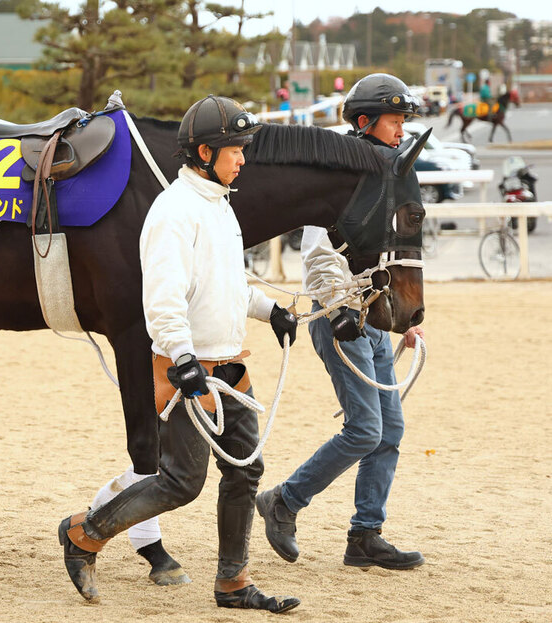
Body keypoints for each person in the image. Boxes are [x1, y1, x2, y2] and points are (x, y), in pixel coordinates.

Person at [57, 95, 300, 613]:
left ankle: (233, 583)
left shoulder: (220, 206)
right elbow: (163, 300)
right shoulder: (172, 212)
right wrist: (182, 358)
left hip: (231, 366)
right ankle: (85, 533)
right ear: (207, 152)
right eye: (236, 150)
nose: (243, 160)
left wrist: (268, 310)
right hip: (189, 370)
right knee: (181, 482)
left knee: (245, 472)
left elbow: (225, 286)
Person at [256, 73, 426, 572]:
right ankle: (284, 501)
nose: (401, 130)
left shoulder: (386, 173)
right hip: (340, 320)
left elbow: (390, 254)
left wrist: (400, 319)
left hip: (373, 319)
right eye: (395, 120)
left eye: (402, 121)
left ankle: (365, 536)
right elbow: (316, 253)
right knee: (365, 430)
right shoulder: (339, 174)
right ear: (365, 121)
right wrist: (344, 310)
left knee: (389, 429)